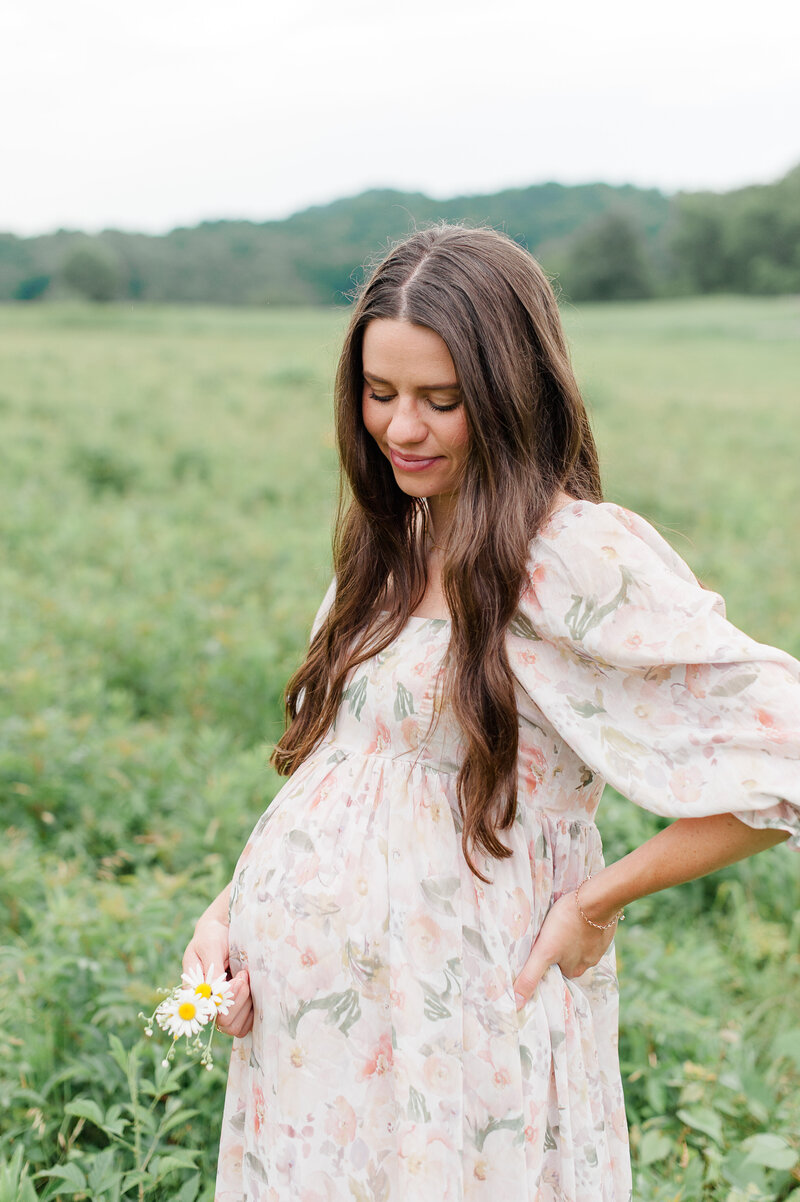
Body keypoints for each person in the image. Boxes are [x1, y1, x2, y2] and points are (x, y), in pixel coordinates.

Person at [183, 224, 800, 1202]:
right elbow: (347, 761)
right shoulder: (390, 537)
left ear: (511, 392)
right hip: (317, 1042)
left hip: (459, 1021)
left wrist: (595, 899)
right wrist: (227, 912)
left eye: (440, 399)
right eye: (378, 394)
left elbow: (785, 748)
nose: (400, 430)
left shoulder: (569, 555)